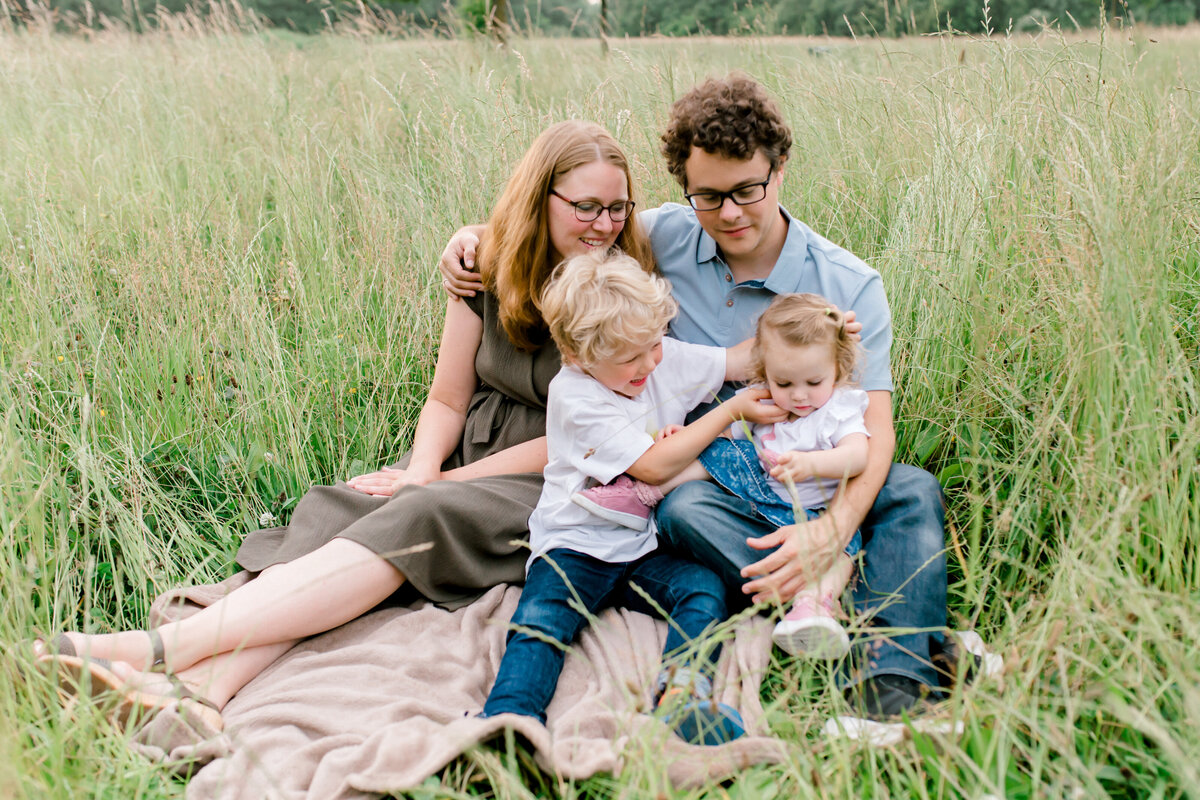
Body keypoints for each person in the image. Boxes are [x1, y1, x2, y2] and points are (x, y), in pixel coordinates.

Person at [34, 120, 657, 730]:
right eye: (586, 207)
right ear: (540, 199)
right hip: (473, 453)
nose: (605, 225)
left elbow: (584, 433)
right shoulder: (485, 265)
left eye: (618, 208)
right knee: (349, 509)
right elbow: (445, 400)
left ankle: (161, 650)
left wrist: (441, 485)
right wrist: (422, 469)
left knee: (417, 516)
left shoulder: (626, 283)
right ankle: (203, 694)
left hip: (557, 476)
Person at [439, 74, 951, 730]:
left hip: (816, 466)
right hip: (710, 478)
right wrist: (472, 235)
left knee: (911, 489)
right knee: (680, 506)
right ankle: (861, 614)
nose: (731, 214)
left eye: (747, 191)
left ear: (780, 169)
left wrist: (830, 531)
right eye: (708, 197)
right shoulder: (663, 238)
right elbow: (572, 225)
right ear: (685, 189)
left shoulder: (849, 284)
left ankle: (887, 686)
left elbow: (877, 439)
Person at [481, 250, 784, 744]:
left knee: (704, 590)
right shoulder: (576, 397)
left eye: (653, 346)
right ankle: (508, 722)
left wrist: (818, 331)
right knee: (542, 621)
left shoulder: (653, 352)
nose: (649, 363)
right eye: (630, 358)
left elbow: (737, 360)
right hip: (575, 545)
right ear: (578, 356)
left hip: (641, 548)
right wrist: (728, 415)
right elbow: (651, 465)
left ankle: (682, 695)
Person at [572, 293, 870, 660]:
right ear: (766, 371)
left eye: (813, 382)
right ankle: (643, 495)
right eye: (784, 382)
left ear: (838, 369)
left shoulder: (838, 408)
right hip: (754, 501)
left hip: (812, 518)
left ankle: (812, 607)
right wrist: (681, 438)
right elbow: (726, 437)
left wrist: (814, 465)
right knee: (715, 445)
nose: (799, 395)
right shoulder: (768, 404)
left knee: (844, 550)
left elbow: (858, 457)